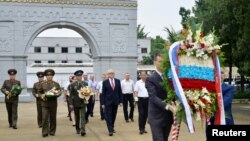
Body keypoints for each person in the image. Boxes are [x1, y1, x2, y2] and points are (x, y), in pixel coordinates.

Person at [145, 53, 174, 141]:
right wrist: (168, 106)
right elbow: (153, 97)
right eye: (160, 61)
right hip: (156, 117)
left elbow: (173, 94)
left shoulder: (170, 77)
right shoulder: (150, 79)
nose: (162, 64)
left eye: (163, 62)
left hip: (168, 117)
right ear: (155, 62)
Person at [206, 69, 234, 139]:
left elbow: (225, 103)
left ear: (225, 75)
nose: (219, 74)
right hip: (211, 121)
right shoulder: (208, 88)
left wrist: (209, 106)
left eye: (222, 73)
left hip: (225, 121)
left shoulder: (229, 88)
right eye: (217, 72)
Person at [101, 69, 123, 136]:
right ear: (107, 74)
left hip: (115, 102)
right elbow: (103, 93)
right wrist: (102, 103)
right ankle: (110, 130)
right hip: (107, 102)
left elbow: (120, 92)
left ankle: (112, 126)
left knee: (114, 115)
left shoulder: (118, 81)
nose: (111, 74)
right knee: (108, 116)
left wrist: (121, 101)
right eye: (110, 73)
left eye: (112, 73)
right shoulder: (105, 82)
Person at [41, 69, 61, 137]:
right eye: (48, 75)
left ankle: (52, 131)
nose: (49, 76)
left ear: (52, 76)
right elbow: (39, 92)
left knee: (53, 118)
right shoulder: (42, 84)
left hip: (53, 103)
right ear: (46, 76)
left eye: (50, 75)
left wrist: (55, 94)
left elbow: (59, 92)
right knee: (44, 118)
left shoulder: (56, 84)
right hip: (45, 103)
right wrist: (42, 95)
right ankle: (45, 132)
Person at [69, 70, 88, 136]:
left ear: (81, 76)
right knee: (77, 117)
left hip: (83, 103)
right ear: (76, 77)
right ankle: (77, 128)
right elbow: (71, 95)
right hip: (75, 103)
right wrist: (71, 104)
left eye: (80, 76)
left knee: (83, 117)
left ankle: (83, 130)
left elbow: (88, 93)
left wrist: (86, 98)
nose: (79, 77)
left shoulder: (85, 84)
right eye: (78, 76)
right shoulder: (72, 84)